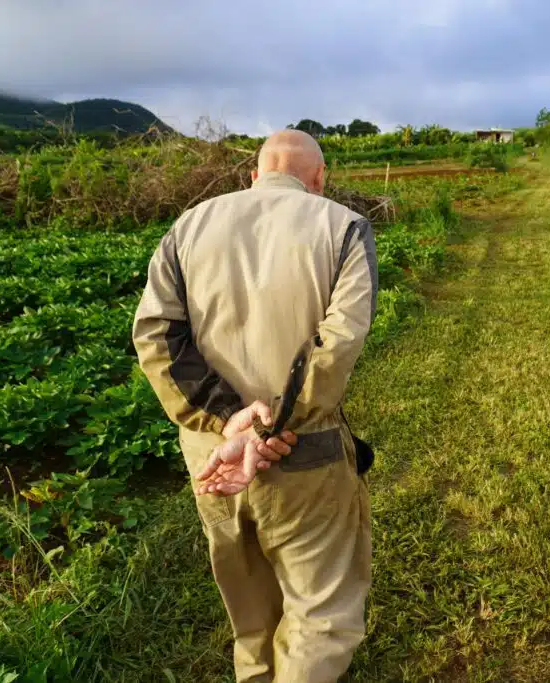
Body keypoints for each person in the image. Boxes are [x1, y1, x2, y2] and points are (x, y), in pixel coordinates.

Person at [133, 129, 377, 683]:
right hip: (302, 452)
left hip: (213, 459)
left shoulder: (188, 225)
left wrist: (229, 424)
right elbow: (336, 345)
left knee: (249, 609)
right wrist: (272, 429)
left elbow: (156, 335)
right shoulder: (343, 227)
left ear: (254, 176)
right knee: (320, 614)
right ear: (318, 178)